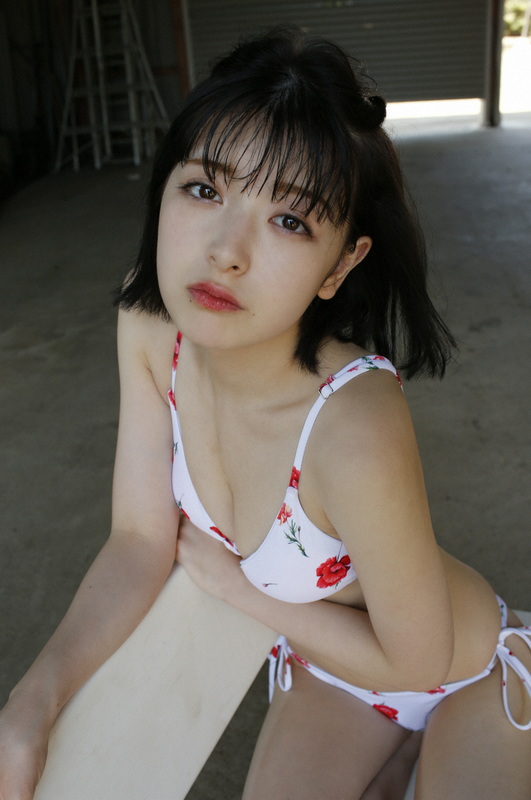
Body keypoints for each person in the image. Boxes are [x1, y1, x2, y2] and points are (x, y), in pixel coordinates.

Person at [1, 26, 530, 800]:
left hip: (461, 672)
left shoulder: (353, 418)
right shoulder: (150, 327)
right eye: (204, 189)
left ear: (340, 264)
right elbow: (140, 538)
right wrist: (33, 702)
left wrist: (243, 591)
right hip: (331, 673)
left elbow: (416, 658)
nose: (226, 251)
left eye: (289, 220)